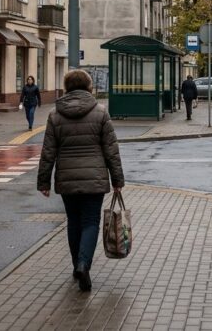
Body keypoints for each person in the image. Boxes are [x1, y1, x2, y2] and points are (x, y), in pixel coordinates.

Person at [37, 69, 124, 292]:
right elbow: (111, 150)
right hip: (94, 179)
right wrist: (117, 180)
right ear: (88, 87)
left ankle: (77, 264)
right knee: (90, 222)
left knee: (73, 222)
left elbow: (48, 151)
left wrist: (44, 182)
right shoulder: (100, 112)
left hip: (67, 178)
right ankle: (84, 264)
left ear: (66, 87)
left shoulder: (55, 115)